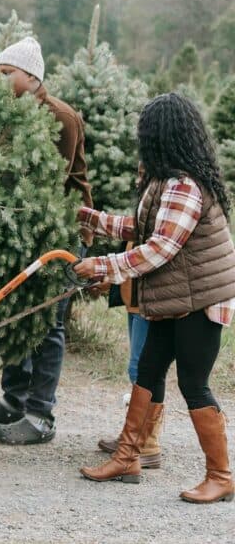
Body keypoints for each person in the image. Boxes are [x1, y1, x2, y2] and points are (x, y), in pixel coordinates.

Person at [75, 92, 235, 503]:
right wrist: (93, 218)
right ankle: (128, 456)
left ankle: (221, 476)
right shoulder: (165, 181)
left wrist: (104, 266)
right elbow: (142, 226)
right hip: (175, 299)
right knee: (148, 370)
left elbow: (161, 247)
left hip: (200, 302)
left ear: (160, 136)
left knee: (193, 384)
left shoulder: (185, 186)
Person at [0, 36, 93, 445]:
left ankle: (40, 416)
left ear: (33, 77)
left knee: (48, 322)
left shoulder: (61, 117)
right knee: (16, 309)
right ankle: (13, 399)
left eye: (8, 73)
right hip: (21, 228)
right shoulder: (6, 113)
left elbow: (47, 180)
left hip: (61, 231)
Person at [97, 165, 165, 470]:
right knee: (135, 365)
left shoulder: (166, 190)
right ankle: (132, 434)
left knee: (143, 367)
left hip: (150, 297)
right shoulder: (149, 191)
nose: (138, 171)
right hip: (132, 295)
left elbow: (151, 246)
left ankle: (146, 442)